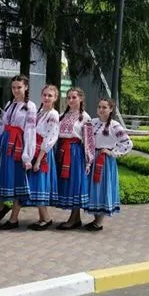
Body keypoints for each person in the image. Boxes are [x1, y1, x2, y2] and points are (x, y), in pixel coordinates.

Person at [0, 74, 37, 230]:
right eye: (13, 87)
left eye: (19, 87)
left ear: (26, 87)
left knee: (18, 179)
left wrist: (27, 156)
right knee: (2, 177)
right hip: (5, 143)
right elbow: (2, 124)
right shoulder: (9, 104)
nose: (16, 90)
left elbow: (30, 131)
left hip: (18, 144)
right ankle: (1, 208)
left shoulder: (30, 107)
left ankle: (14, 219)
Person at [85, 98, 133, 231]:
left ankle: (99, 222)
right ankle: (95, 219)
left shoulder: (114, 125)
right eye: (99, 107)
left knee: (102, 187)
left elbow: (128, 143)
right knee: (94, 188)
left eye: (104, 107)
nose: (101, 110)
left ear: (111, 109)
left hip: (104, 161)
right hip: (92, 158)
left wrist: (112, 152)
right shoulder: (93, 122)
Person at [55, 87, 94, 230]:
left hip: (75, 152)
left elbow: (89, 140)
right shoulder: (62, 115)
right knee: (68, 183)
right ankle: (76, 219)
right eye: (68, 97)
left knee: (75, 184)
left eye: (74, 97)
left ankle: (73, 219)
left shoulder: (85, 117)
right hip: (62, 150)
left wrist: (88, 160)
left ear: (81, 98)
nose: (71, 100)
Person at [25, 84, 60, 231]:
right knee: (36, 184)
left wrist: (39, 159)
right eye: (45, 95)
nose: (46, 98)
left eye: (50, 96)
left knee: (40, 184)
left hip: (43, 153)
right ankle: (42, 217)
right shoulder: (40, 113)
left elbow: (50, 138)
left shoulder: (53, 115)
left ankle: (46, 218)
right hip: (35, 149)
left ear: (55, 98)